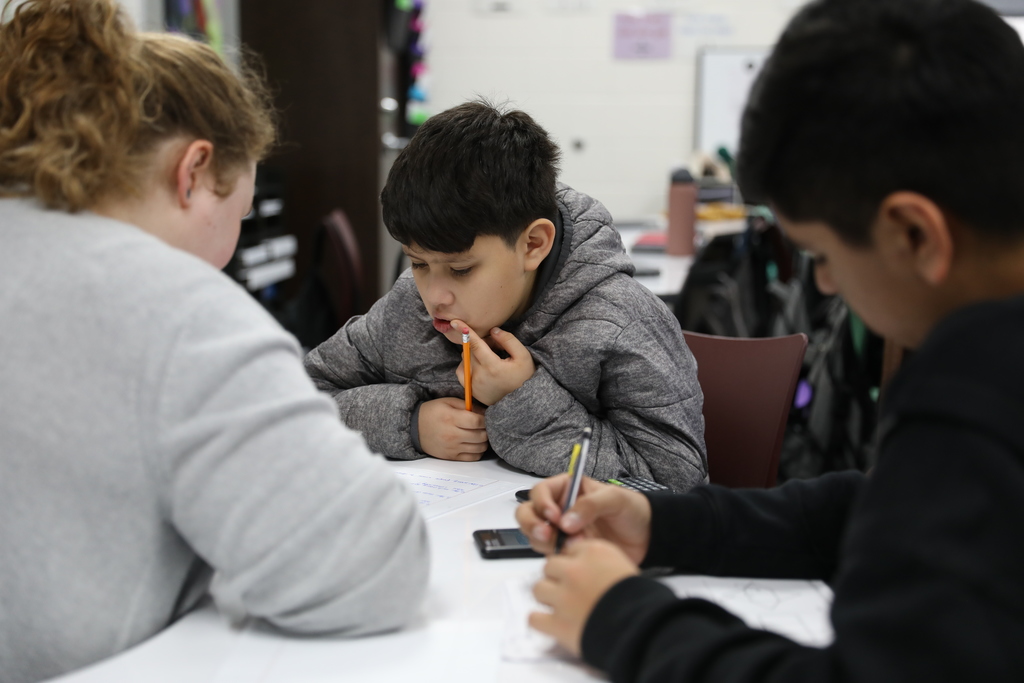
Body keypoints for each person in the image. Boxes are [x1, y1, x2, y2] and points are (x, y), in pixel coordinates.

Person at [516, 0, 1024, 680]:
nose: (827, 283)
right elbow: (882, 509)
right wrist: (662, 523)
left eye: (820, 253)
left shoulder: (974, 387)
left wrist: (621, 615)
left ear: (914, 234)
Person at [0, 2, 428, 682]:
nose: (231, 245)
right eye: (242, 211)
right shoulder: (174, 311)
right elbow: (374, 562)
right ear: (193, 171)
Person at [304, 101, 707, 492]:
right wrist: (408, 422)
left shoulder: (620, 323)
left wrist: (520, 398)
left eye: (461, 269)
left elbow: (674, 484)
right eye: (418, 263)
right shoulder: (408, 306)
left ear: (533, 244)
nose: (434, 298)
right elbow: (300, 399)